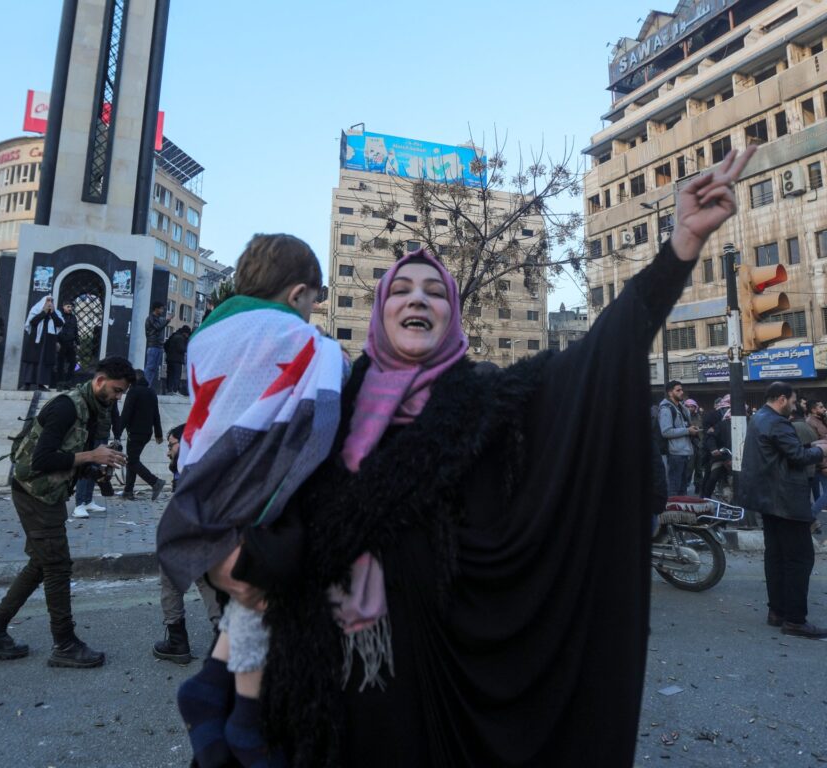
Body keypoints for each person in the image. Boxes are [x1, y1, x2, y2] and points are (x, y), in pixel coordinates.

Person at [196, 148, 759, 767]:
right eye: (401, 290)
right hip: (320, 665)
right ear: (380, 313)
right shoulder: (329, 396)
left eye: (435, 291)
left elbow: (599, 357)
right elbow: (238, 473)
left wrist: (679, 246)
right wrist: (220, 551)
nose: (418, 299)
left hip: (442, 669)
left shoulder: (491, 399)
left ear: (452, 316)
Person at [159, 233, 339, 768]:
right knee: (265, 590)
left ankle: (213, 686)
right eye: (313, 301)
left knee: (246, 597)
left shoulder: (209, 334)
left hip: (206, 482)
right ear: (298, 293)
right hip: (254, 484)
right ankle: (246, 718)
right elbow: (313, 410)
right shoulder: (295, 339)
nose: (312, 313)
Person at [0, 357, 134, 667]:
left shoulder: (91, 409)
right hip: (34, 492)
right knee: (57, 566)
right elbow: (42, 459)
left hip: (48, 493)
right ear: (99, 380)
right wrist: (91, 455)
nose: (117, 398)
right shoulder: (66, 407)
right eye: (116, 390)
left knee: (41, 563)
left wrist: (93, 470)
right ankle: (64, 644)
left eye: (121, 393)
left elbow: (69, 458)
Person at [739, 382, 827, 639]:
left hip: (769, 500)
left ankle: (777, 611)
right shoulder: (777, 422)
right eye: (793, 400)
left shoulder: (759, 418)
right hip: (785, 500)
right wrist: (819, 450)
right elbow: (797, 456)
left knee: (776, 556)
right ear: (781, 399)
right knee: (800, 558)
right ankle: (795, 620)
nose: (795, 405)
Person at [152, 424, 222, 665]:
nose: (168, 451)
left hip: (192, 528)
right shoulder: (195, 464)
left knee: (171, 577)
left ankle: (177, 641)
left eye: (171, 444)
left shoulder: (190, 468)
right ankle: (224, 634)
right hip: (205, 532)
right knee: (206, 579)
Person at [116, 370, 165, 501]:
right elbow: (156, 414)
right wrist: (158, 433)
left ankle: (155, 482)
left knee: (132, 461)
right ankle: (128, 491)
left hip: (135, 432)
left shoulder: (134, 391)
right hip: (146, 433)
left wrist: (117, 432)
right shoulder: (151, 392)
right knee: (133, 459)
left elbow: (126, 413)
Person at [659, 380, 698, 496]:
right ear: (670, 393)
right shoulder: (666, 409)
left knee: (683, 488)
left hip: (684, 452)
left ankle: (682, 513)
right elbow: (666, 431)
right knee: (674, 488)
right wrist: (687, 431)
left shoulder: (680, 408)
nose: (682, 392)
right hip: (675, 453)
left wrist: (692, 429)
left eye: (682, 389)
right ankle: (672, 513)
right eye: (678, 390)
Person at [20, 296, 64, 391]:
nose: (50, 303)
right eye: (48, 301)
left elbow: (60, 323)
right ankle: (27, 384)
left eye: (51, 301)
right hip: (36, 340)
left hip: (49, 340)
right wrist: (44, 312)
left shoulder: (56, 313)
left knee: (45, 363)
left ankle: (41, 384)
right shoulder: (36, 310)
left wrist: (52, 313)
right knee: (32, 361)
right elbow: (33, 322)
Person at [701, 397, 733, 498]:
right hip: (721, 456)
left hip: (740, 458)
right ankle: (705, 499)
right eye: (726, 408)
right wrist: (713, 449)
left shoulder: (746, 424)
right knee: (713, 476)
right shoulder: (721, 424)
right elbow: (711, 437)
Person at [144, 302, 171, 388]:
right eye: (161, 309)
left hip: (158, 346)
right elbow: (157, 327)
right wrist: (167, 321)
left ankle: (148, 386)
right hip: (153, 346)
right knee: (150, 367)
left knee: (154, 369)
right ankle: (144, 386)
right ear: (156, 309)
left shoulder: (159, 318)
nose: (162, 311)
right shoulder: (151, 318)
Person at [55, 301, 78, 386]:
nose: (70, 308)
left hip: (71, 343)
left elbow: (76, 330)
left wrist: (78, 343)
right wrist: (56, 341)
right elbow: (56, 329)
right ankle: (60, 381)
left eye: (71, 307)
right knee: (60, 363)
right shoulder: (60, 316)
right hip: (61, 343)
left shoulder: (73, 318)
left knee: (73, 363)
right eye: (68, 306)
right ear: (63, 307)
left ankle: (68, 381)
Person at [163, 325, 190, 395]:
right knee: (176, 376)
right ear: (185, 333)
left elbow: (165, 345)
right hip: (177, 361)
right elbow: (181, 349)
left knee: (170, 375)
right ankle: (175, 390)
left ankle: (169, 390)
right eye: (187, 334)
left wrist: (168, 353)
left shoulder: (173, 336)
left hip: (169, 359)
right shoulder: (180, 338)